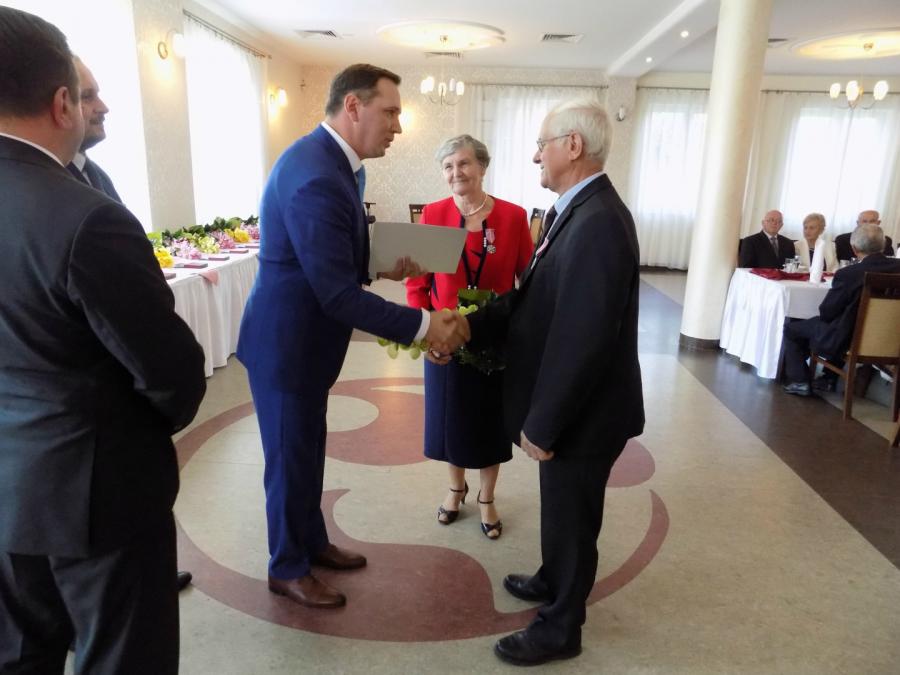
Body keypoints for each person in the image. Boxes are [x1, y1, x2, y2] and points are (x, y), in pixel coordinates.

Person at [0, 8, 206, 674]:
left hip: (10, 477)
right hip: (100, 490)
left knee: (20, 654)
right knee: (123, 657)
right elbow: (172, 372)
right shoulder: (86, 216)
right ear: (62, 103)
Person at [236, 63, 469, 610]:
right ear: (353, 107)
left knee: (307, 450)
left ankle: (311, 541)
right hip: (287, 347)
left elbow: (327, 255)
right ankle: (286, 567)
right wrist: (424, 325)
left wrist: (377, 263)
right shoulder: (316, 174)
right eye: (390, 112)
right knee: (289, 459)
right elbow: (335, 295)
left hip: (306, 344)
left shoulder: (335, 164)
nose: (398, 126)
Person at [461, 98, 644, 666]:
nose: (535, 155)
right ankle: (551, 576)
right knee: (561, 507)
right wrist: (467, 325)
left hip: (586, 412)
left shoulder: (598, 222)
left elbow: (583, 339)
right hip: (577, 407)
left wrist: (543, 423)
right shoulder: (578, 209)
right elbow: (534, 300)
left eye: (542, 144)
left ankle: (561, 627)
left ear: (573, 146)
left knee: (573, 516)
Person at [71, 55, 193, 592]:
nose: (103, 107)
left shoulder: (94, 175)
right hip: (88, 437)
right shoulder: (68, 200)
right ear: (58, 103)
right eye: (88, 95)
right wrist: (167, 404)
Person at [406, 135, 533, 539]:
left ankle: (487, 496)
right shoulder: (434, 214)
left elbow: (528, 283)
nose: (455, 172)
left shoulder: (512, 217)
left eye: (463, 163)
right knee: (451, 418)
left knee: (490, 421)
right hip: (444, 336)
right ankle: (455, 488)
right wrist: (423, 334)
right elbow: (417, 283)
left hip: (493, 335)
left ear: (482, 167)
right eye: (448, 166)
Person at [782, 223, 900, 397]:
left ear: (854, 248)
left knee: (793, 329)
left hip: (848, 338)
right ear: (883, 246)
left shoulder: (850, 274)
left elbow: (828, 311)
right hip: (891, 338)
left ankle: (800, 381)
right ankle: (828, 378)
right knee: (842, 323)